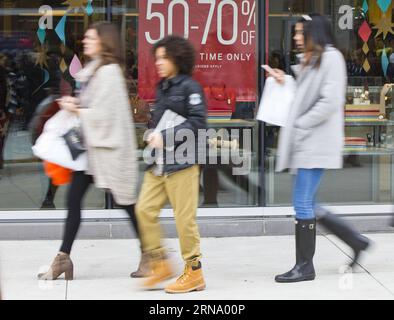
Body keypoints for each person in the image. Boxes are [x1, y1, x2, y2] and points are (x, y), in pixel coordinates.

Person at [38, 22, 142, 280]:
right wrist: (77, 104)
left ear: (104, 42)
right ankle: (63, 258)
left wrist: (77, 110)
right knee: (74, 201)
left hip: (105, 149)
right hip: (91, 149)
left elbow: (106, 115)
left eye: (90, 37)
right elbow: (94, 107)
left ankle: (153, 254)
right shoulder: (94, 71)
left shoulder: (108, 73)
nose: (84, 41)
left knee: (125, 202)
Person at [271, 14, 370, 283]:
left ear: (315, 32)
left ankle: (305, 266)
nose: (296, 37)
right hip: (307, 141)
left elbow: (329, 101)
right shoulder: (313, 59)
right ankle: (356, 240)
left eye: (301, 32)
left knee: (302, 203)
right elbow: (306, 94)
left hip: (315, 141)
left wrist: (301, 123)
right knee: (309, 203)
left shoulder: (331, 58)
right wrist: (284, 79)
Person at [136, 35, 207, 293]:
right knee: (144, 209)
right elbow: (159, 119)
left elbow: (198, 124)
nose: (158, 62)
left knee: (184, 220)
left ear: (178, 58)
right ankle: (160, 263)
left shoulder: (191, 88)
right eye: (157, 58)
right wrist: (150, 131)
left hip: (183, 164)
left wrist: (164, 136)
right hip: (158, 164)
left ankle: (194, 272)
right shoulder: (162, 87)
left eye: (164, 57)